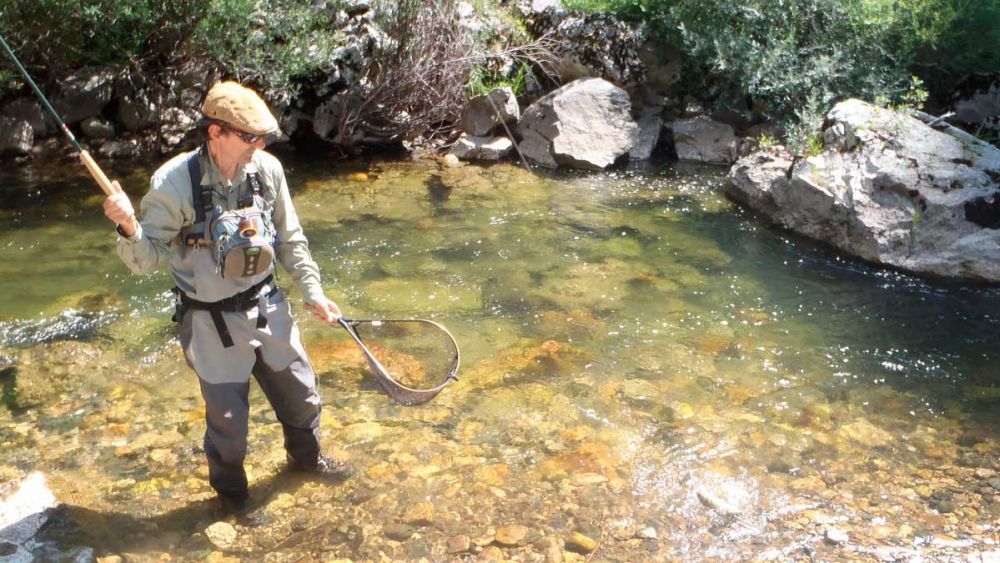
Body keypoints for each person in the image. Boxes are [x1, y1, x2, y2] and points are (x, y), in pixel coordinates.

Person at [103, 81, 351, 514]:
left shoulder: (267, 171)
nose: (259, 145)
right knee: (230, 431)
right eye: (250, 136)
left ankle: (309, 466)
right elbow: (146, 261)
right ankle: (234, 501)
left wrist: (314, 293)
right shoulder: (174, 184)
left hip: (268, 306)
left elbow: (291, 239)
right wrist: (127, 227)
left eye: (263, 137)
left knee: (303, 399)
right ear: (216, 132)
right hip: (209, 322)